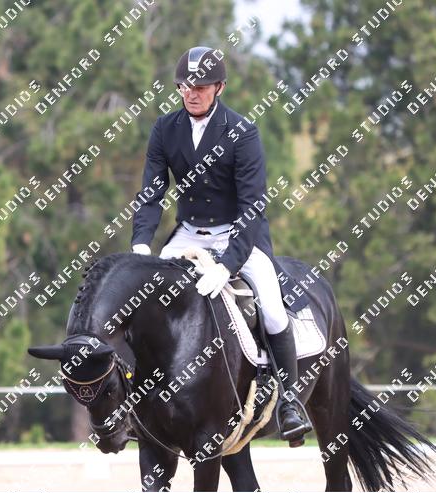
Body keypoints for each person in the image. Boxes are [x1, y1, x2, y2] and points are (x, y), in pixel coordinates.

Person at [130, 46, 313, 444]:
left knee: (272, 308)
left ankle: (290, 401)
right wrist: (141, 245)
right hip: (188, 233)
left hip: (237, 233)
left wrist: (227, 265)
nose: (191, 93)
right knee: (145, 299)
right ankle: (138, 398)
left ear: (219, 87)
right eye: (184, 86)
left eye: (200, 86)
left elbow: (252, 207)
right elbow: (151, 193)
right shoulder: (165, 128)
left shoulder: (242, 133)